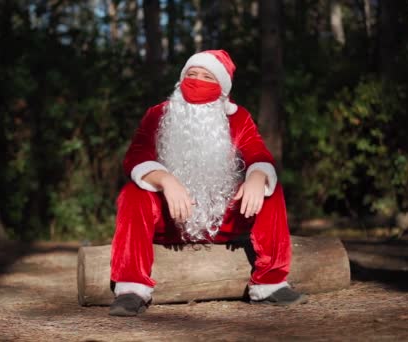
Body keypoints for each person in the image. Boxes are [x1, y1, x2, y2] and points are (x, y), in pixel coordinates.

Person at [109, 50, 306, 317]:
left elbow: (258, 154)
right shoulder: (158, 114)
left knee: (270, 190)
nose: (197, 82)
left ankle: (270, 284)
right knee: (133, 193)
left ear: (222, 89)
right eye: (191, 74)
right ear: (181, 79)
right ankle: (132, 289)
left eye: (207, 77)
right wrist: (165, 180)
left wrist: (257, 177)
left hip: (220, 219)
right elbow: (135, 157)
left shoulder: (238, 117)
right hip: (171, 219)